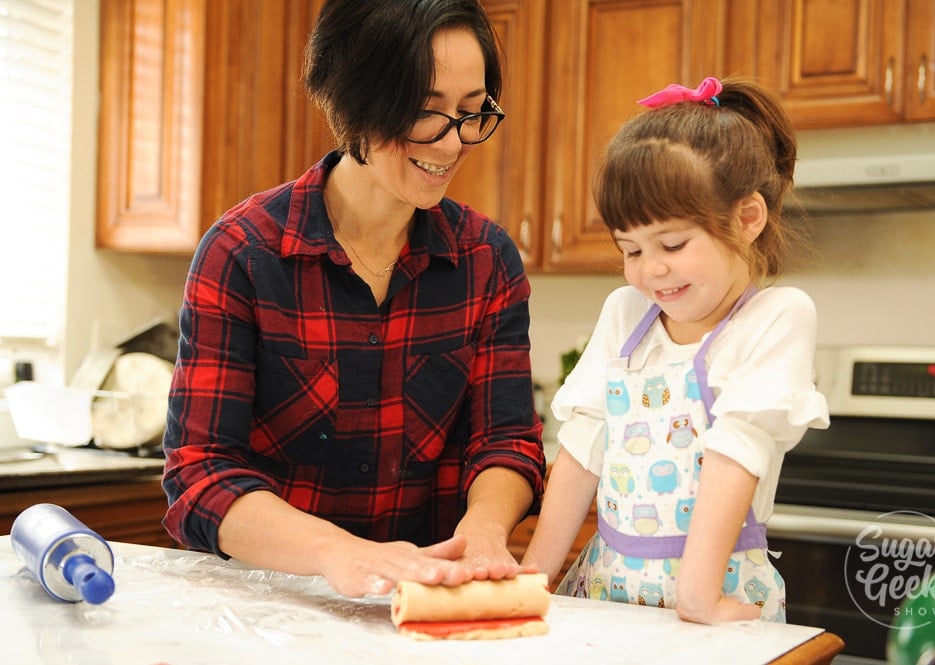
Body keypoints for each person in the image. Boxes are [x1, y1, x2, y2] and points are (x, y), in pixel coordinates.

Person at [161, 0, 546, 598]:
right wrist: (336, 552)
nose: (452, 144)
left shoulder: (486, 258)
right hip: (268, 599)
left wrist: (486, 528)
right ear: (352, 99)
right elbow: (200, 474)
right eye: (425, 111)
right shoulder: (243, 253)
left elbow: (505, 440)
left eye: (471, 112)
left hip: (420, 595)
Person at [522, 76, 829, 624]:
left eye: (672, 244)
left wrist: (698, 598)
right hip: (605, 592)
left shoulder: (776, 316)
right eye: (631, 249)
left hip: (712, 593)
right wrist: (534, 580)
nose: (651, 269)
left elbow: (736, 453)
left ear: (747, 218)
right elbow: (582, 447)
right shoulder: (625, 312)